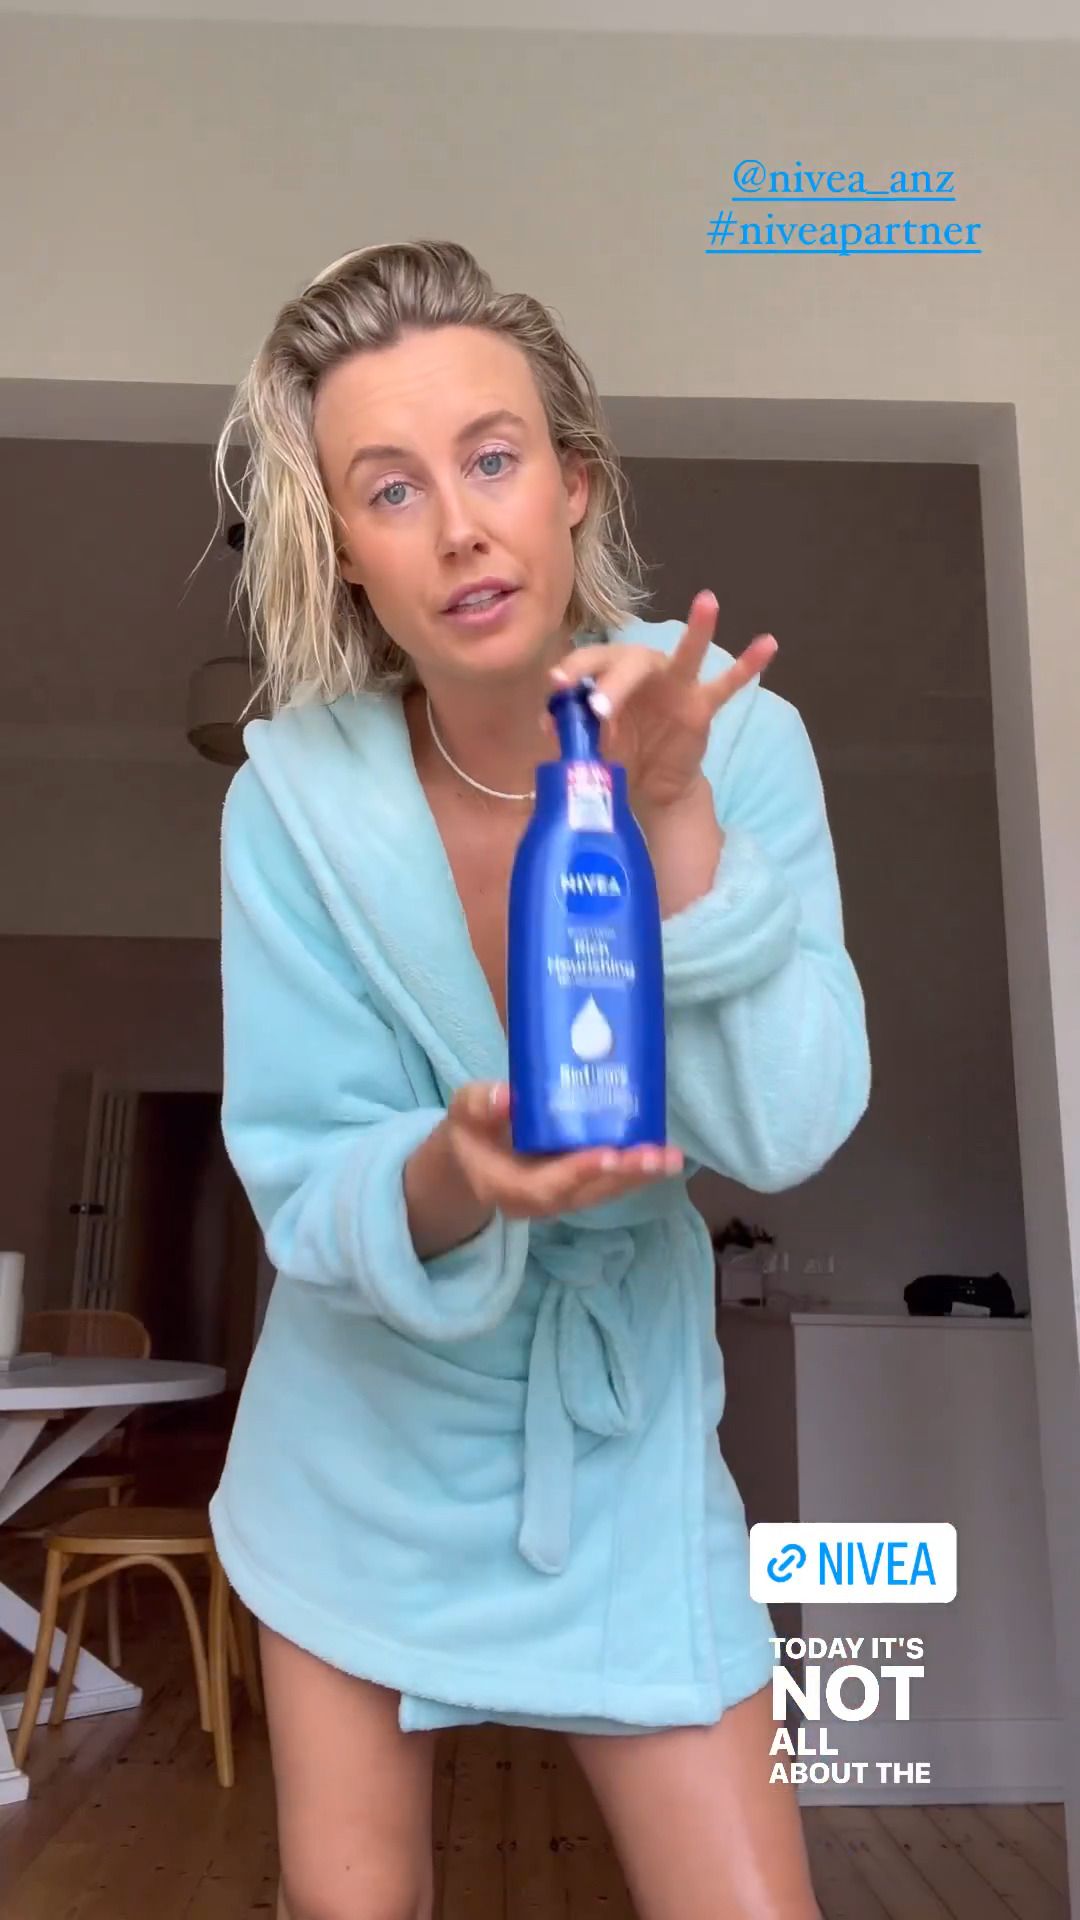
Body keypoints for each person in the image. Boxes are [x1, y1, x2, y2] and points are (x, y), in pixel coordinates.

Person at [208, 238, 870, 1920]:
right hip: (358, 1446)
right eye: (390, 489)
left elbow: (787, 1126)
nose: (458, 526)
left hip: (622, 1438)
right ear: (344, 551)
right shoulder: (293, 805)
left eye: (492, 459)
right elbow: (306, 1176)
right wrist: (460, 1171)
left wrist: (675, 821)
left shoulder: (731, 735)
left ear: (574, 483)